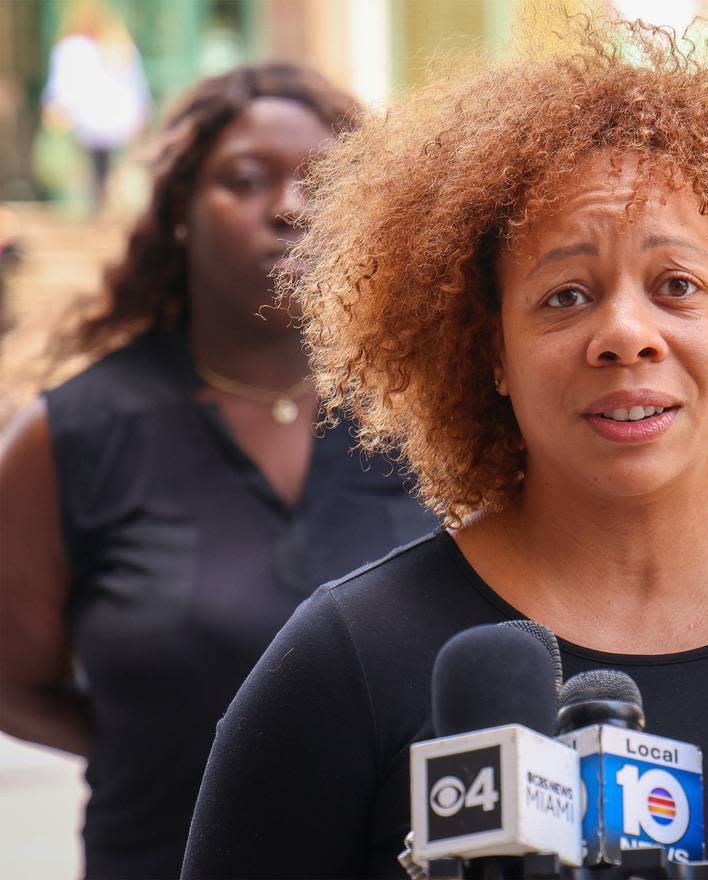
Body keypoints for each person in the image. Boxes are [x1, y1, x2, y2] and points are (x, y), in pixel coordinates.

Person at [180, 12, 708, 880]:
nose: (625, 334)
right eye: (566, 295)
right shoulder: (343, 660)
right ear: (491, 350)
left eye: (677, 286)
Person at [0, 63, 436, 879]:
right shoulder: (69, 435)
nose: (289, 208)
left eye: (321, 183)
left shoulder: (426, 423)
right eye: (245, 180)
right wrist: (159, 740)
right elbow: (11, 681)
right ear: (176, 217)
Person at [40, 0, 151, 212]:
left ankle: (102, 211)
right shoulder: (101, 46)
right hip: (105, 123)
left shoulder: (109, 46)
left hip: (98, 124)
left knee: (102, 177)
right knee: (99, 176)